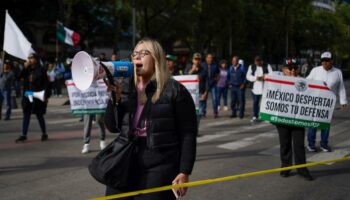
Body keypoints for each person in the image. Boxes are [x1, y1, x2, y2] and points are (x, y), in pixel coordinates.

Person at [104, 38, 197, 199]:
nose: (137, 57)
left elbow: (188, 133)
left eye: (143, 53)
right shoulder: (125, 87)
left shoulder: (175, 91)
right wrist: (115, 99)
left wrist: (184, 171)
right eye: (134, 54)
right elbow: (112, 127)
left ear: (156, 58)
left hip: (159, 165)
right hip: (125, 160)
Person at [276, 58, 313, 181]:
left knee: (299, 145)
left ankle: (302, 169)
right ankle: (285, 167)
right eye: (289, 68)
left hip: (298, 120)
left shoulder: (304, 82)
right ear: (283, 70)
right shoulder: (277, 81)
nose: (292, 71)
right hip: (282, 119)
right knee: (285, 144)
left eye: (295, 68)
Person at [306, 52, 348, 152]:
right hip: (315, 102)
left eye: (327, 61)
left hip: (328, 103)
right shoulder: (315, 70)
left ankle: (324, 144)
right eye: (323, 61)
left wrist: (343, 100)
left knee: (325, 124)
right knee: (313, 123)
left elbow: (341, 87)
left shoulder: (337, 72)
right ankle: (311, 144)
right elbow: (307, 81)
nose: (324, 63)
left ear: (332, 61)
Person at [15, 53, 50, 143]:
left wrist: (46, 96)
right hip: (28, 94)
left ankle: (44, 133)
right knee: (26, 114)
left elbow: (46, 84)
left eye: (31, 58)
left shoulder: (41, 70)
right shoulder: (27, 70)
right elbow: (18, 77)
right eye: (29, 58)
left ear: (36, 59)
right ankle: (24, 134)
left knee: (39, 115)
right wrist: (24, 68)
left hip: (37, 95)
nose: (29, 60)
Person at [246, 56, 273, 122]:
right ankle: (255, 116)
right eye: (256, 61)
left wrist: (265, 77)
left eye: (259, 61)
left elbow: (272, 74)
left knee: (265, 103)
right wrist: (256, 78)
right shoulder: (252, 66)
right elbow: (248, 76)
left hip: (265, 87)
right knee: (255, 102)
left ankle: (266, 116)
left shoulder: (267, 66)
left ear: (262, 61)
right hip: (255, 88)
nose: (257, 63)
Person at [187, 52, 208, 118]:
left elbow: (207, 82)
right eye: (195, 59)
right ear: (193, 60)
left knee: (200, 114)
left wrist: (206, 92)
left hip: (201, 92)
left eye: (198, 59)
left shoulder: (204, 69)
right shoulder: (188, 67)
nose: (197, 61)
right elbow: (185, 77)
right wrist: (193, 69)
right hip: (191, 92)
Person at [201, 53, 219, 118]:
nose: (210, 59)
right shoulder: (202, 65)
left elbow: (218, 74)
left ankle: (215, 112)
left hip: (213, 84)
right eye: (208, 58)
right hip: (204, 84)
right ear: (206, 58)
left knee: (214, 99)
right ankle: (203, 112)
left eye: (211, 58)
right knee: (203, 98)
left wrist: (217, 80)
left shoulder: (215, 65)